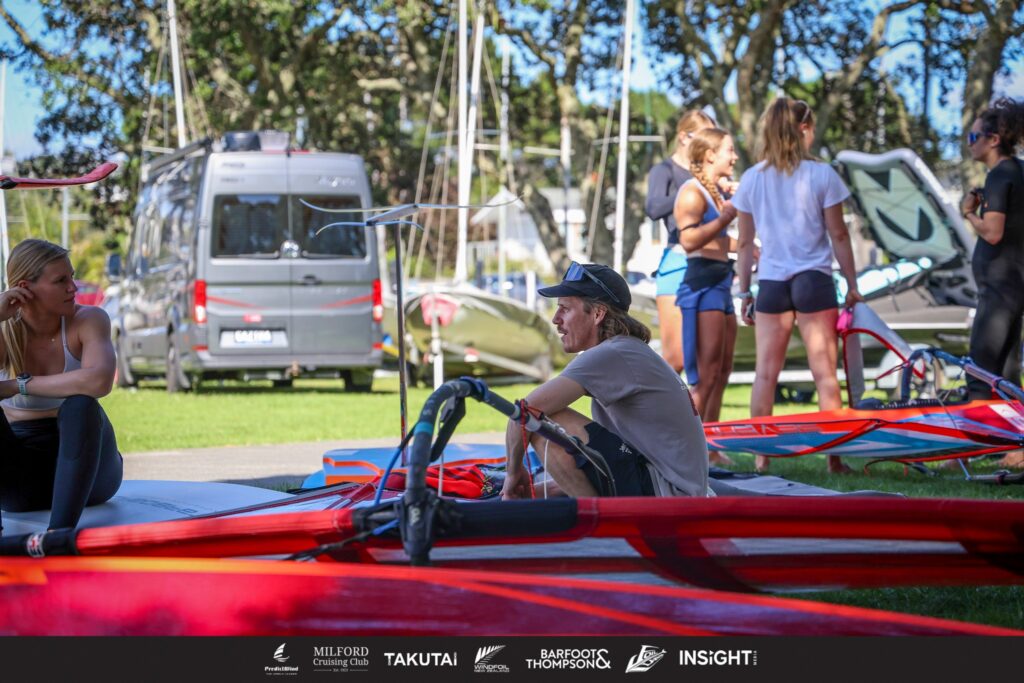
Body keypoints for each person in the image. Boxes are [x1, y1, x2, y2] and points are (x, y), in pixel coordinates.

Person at [501, 262, 708, 500]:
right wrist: (535, 493)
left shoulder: (612, 354)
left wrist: (512, 475)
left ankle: (600, 523)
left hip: (668, 498)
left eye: (565, 309)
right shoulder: (626, 350)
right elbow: (606, 467)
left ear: (598, 313)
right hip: (678, 491)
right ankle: (598, 515)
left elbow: (525, 412)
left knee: (543, 420)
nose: (556, 319)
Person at [733, 98, 862, 474]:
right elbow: (838, 234)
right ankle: (834, 460)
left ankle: (762, 458)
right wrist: (852, 284)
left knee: (764, 374)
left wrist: (744, 292)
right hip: (814, 280)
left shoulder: (753, 177)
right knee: (824, 374)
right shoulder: (822, 175)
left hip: (771, 283)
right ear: (804, 129)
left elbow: (744, 243)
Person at [0, 239, 122, 531]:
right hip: (22, 482)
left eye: (72, 276)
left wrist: (19, 386)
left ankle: (59, 536)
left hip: (92, 476)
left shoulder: (88, 320)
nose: (74, 287)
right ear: (25, 287)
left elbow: (99, 380)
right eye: (61, 280)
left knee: (81, 405)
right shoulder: (4, 331)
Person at [672, 128, 739, 436]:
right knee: (706, 374)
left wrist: (755, 250)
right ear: (711, 154)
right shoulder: (691, 191)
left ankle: (710, 444)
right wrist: (725, 219)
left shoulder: (714, 192)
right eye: (730, 150)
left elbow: (718, 241)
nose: (735, 157)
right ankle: (687, 443)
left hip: (722, 282)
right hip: (702, 286)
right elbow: (688, 241)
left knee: (723, 371)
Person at [645, 109, 715, 373]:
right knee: (676, 359)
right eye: (704, 137)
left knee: (708, 360)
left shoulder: (708, 173)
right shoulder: (665, 170)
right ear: (685, 137)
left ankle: (701, 415)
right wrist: (691, 192)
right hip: (677, 261)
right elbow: (653, 208)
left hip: (710, 262)